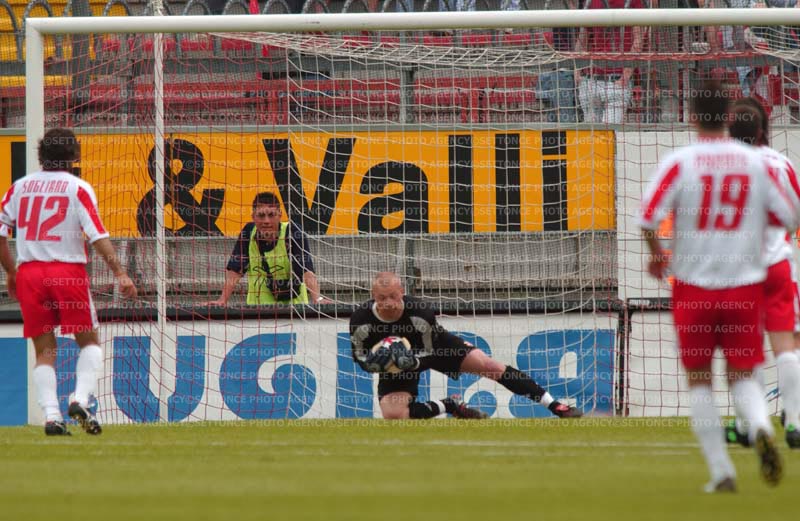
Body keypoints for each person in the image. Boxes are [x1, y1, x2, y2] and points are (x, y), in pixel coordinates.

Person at [639, 81, 797, 492]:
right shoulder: (755, 163)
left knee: (700, 380)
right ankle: (761, 426)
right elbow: (789, 215)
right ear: (727, 116)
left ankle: (722, 472)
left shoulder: (681, 161)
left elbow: (647, 218)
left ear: (693, 117)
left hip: (693, 285)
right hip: (744, 285)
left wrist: (657, 255)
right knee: (743, 373)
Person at [0, 128, 138, 436]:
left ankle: (52, 416)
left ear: (41, 155)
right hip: (67, 271)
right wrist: (119, 272)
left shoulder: (19, 187)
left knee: (44, 351)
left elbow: (0, 232)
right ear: (75, 155)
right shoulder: (78, 187)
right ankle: (80, 399)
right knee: (88, 342)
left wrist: (10, 271)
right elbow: (97, 235)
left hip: (30, 274)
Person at [349, 272, 583, 420]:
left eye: (393, 296)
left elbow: (431, 351)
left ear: (402, 292)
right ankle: (449, 405)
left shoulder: (419, 312)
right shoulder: (361, 319)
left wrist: (413, 362)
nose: (388, 302)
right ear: (373, 296)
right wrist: (373, 364)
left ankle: (555, 406)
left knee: (489, 365)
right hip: (396, 366)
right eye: (382, 298)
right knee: (394, 416)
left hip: (437, 348)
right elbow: (359, 357)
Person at [725, 97, 800, 450]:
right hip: (778, 264)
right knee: (787, 345)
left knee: (746, 349)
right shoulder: (780, 163)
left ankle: (748, 425)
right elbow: (795, 214)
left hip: (739, 269)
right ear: (762, 129)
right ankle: (795, 421)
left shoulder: (723, 167)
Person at [206, 192, 325, 306]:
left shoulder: (293, 232)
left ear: (280, 215)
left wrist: (317, 299)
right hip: (258, 311)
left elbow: (306, 269)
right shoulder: (248, 232)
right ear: (253, 216)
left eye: (271, 215)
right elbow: (235, 269)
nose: (266, 221)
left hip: (293, 310)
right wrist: (222, 300)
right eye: (261, 216)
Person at [573, 0, 644, 124]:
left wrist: (625, 76)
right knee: (592, 131)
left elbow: (638, 39)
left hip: (615, 80)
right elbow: (583, 38)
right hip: (591, 79)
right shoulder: (591, 2)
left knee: (607, 130)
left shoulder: (632, 2)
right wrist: (577, 70)